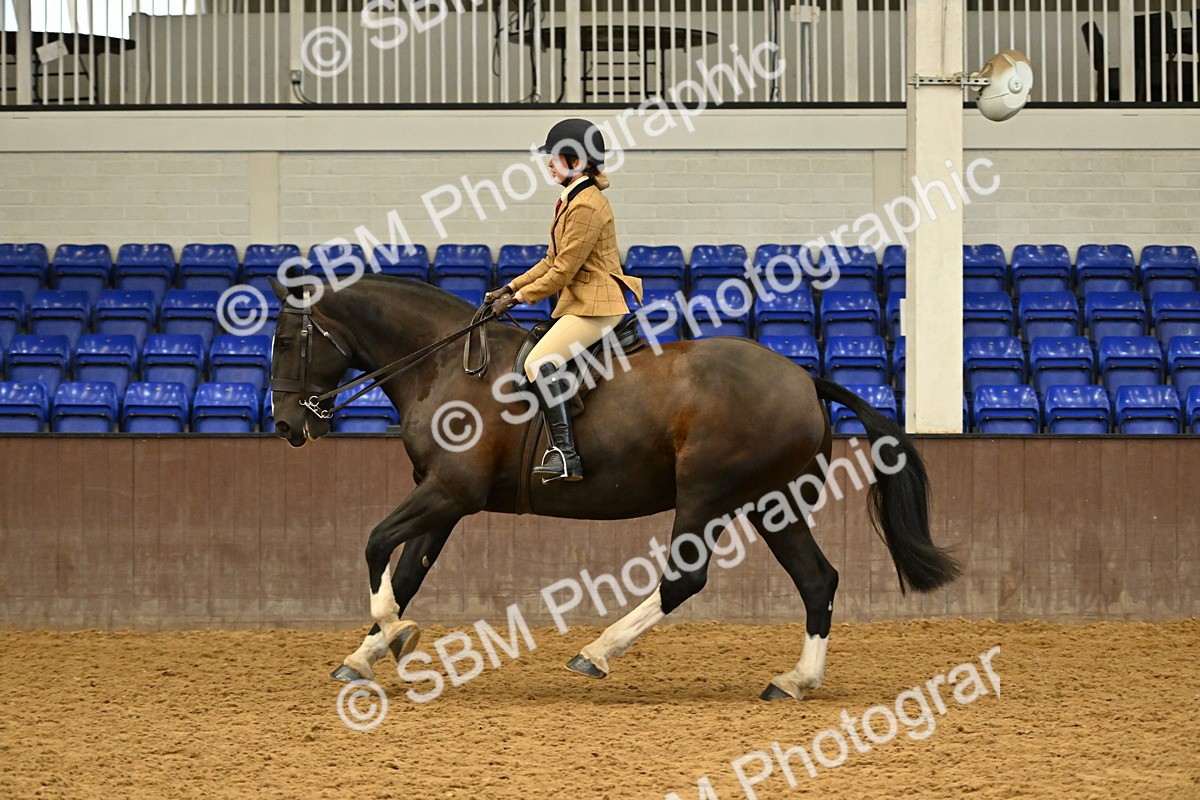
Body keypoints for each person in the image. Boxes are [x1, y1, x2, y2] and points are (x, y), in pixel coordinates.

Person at [486, 118, 642, 483]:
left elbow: (563, 272)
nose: (548, 164)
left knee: (540, 363)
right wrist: (508, 288)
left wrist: (521, 298)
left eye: (554, 158)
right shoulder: (570, 199)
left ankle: (567, 457)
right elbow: (549, 260)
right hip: (580, 304)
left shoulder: (587, 205)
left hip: (597, 307)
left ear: (575, 161)